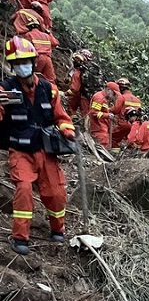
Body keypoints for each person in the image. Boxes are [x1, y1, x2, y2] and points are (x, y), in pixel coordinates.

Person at [0, 36, 75, 255]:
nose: (22, 66)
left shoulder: (48, 89)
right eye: (17, 63)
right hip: (21, 151)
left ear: (33, 62)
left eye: (26, 61)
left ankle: (57, 229)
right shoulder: (6, 89)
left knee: (56, 193)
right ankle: (20, 237)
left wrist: (67, 130)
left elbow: (62, 116)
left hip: (46, 150)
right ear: (12, 66)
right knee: (23, 189)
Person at [110, 77, 141, 149]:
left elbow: (115, 110)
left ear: (121, 88)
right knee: (130, 142)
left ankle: (114, 156)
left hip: (123, 123)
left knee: (113, 139)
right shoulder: (137, 100)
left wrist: (107, 109)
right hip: (134, 126)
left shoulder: (122, 97)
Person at [89, 82, 119, 148]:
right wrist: (107, 115)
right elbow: (94, 112)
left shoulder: (105, 99)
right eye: (113, 93)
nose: (114, 96)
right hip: (99, 128)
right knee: (103, 146)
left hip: (103, 128)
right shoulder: (99, 98)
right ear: (108, 90)